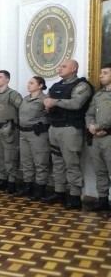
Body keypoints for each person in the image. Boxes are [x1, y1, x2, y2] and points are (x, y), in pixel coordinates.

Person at [42, 59, 92, 208]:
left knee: (72, 163)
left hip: (70, 129)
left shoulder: (82, 86)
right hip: (54, 127)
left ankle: (75, 196)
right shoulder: (57, 85)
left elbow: (76, 104)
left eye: (63, 66)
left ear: (74, 68)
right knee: (57, 163)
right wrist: (47, 103)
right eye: (59, 66)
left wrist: (54, 102)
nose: (60, 68)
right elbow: (47, 98)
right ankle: (59, 192)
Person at [0, 70, 23, 194]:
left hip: (9, 129)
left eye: (0, 77)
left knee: (10, 156)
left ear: (7, 79)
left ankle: (12, 181)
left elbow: (21, 109)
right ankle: (2, 179)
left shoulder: (13, 94)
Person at [18, 76, 50, 200]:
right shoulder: (26, 99)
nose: (28, 85)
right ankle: (28, 187)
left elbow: (50, 113)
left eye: (32, 83)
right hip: (24, 133)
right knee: (26, 162)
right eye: (28, 82)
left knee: (40, 162)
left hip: (37, 134)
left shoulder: (45, 99)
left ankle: (40, 189)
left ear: (40, 85)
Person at [87, 62, 111, 214]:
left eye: (105, 73)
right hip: (97, 138)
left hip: (109, 137)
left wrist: (105, 127)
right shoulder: (98, 95)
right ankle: (103, 200)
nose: (101, 75)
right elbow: (89, 114)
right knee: (100, 170)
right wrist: (91, 125)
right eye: (101, 72)